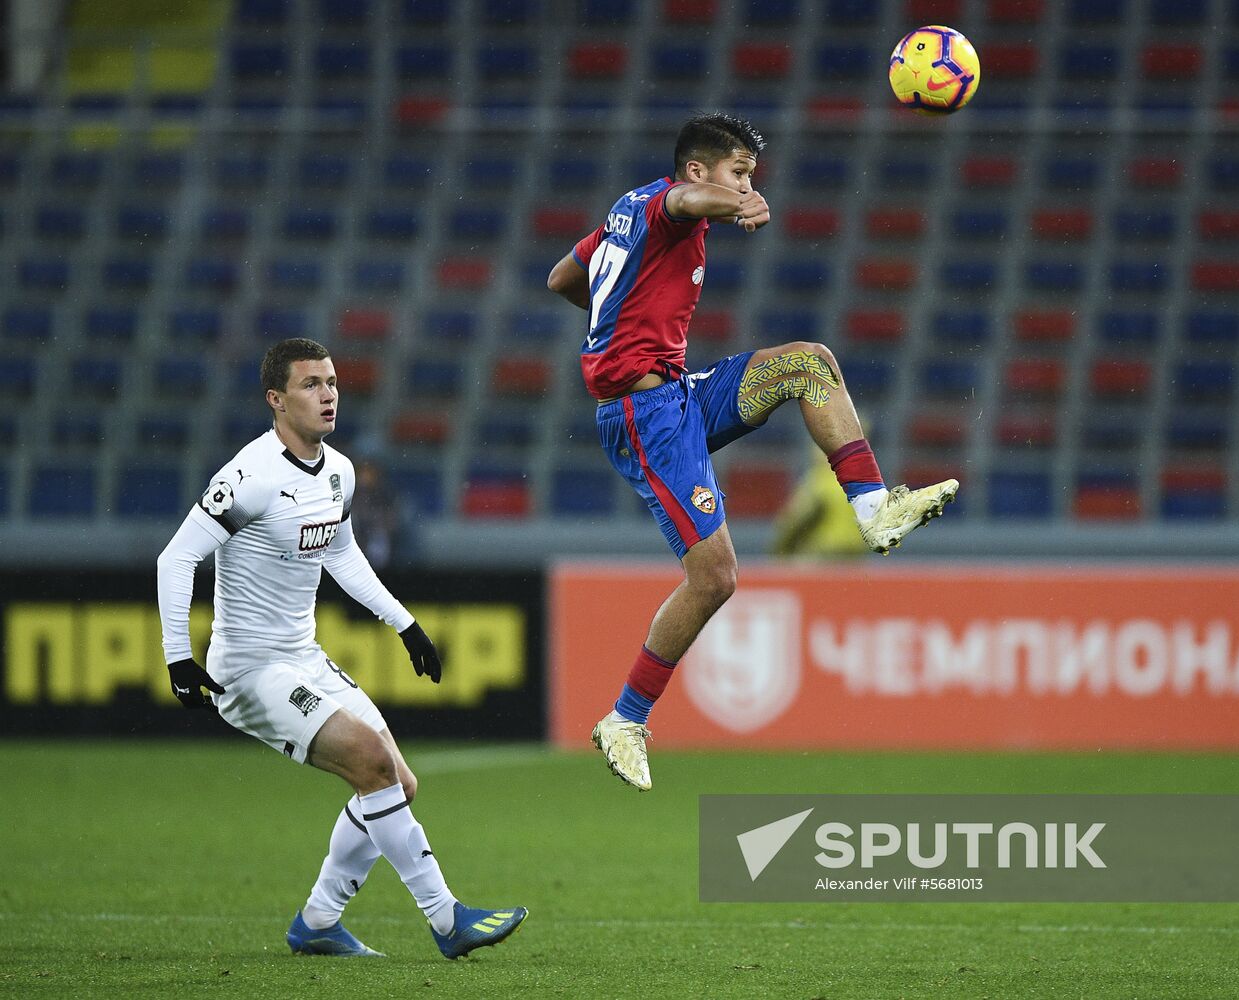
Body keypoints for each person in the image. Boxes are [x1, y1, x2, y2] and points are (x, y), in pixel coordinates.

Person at [545, 113, 958, 791]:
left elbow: (563, 276)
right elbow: (686, 198)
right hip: (643, 417)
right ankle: (624, 718)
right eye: (738, 173)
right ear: (700, 169)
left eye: (750, 178)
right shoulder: (671, 205)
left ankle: (874, 508)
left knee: (807, 364)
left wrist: (612, 321)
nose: (744, 186)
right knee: (715, 578)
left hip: (677, 394)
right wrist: (731, 205)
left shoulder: (626, 212)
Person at [156, 338, 526, 959]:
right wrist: (177, 656)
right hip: (248, 671)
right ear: (276, 399)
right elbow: (177, 557)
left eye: (331, 382)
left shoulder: (339, 471)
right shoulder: (249, 477)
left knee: (397, 783)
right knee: (370, 761)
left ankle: (319, 922)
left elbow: (341, 554)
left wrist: (404, 624)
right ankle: (447, 920)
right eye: (310, 384)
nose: (327, 394)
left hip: (303, 655)